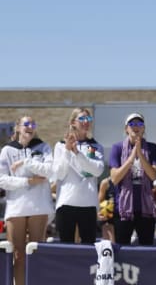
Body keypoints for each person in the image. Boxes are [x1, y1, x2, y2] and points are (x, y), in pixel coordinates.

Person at [0, 116, 55, 285]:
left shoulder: (43, 147)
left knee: (36, 253)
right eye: (26, 124)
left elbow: (49, 171)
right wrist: (28, 181)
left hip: (38, 206)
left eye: (33, 124)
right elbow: (2, 180)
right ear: (18, 127)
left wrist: (27, 162)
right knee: (18, 254)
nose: (30, 127)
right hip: (16, 207)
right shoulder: (7, 150)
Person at [53, 108, 104, 244]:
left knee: (88, 249)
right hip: (66, 203)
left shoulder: (95, 146)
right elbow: (59, 173)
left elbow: (97, 170)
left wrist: (77, 153)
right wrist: (67, 151)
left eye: (88, 119)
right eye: (82, 119)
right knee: (65, 249)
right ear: (73, 122)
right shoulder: (60, 145)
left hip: (88, 204)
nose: (86, 122)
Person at [109, 112, 156, 246]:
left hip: (145, 208)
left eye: (139, 124)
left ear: (144, 128)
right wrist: (131, 157)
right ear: (126, 129)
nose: (136, 127)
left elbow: (153, 175)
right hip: (123, 208)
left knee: (147, 248)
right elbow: (114, 178)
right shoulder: (117, 148)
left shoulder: (152, 148)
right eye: (132, 124)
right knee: (121, 249)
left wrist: (140, 154)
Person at [98, 176, 117, 242]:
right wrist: (100, 214)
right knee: (109, 245)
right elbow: (100, 202)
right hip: (109, 219)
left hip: (125, 217)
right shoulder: (106, 183)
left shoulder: (131, 182)